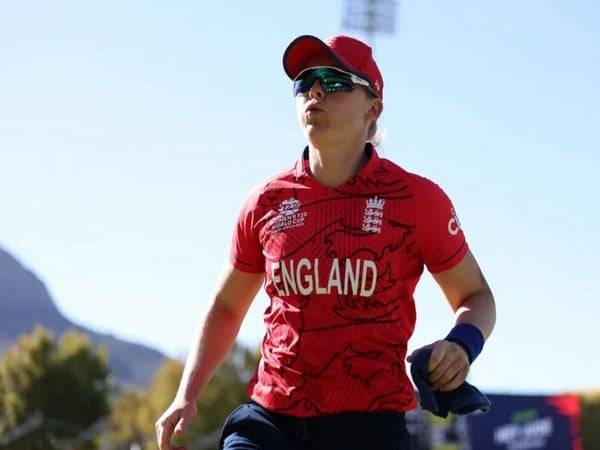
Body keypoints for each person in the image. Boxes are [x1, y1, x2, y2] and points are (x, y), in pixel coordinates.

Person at [155, 34, 496, 450]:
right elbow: (227, 306)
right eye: (304, 81)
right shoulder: (264, 200)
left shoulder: (418, 200)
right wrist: (185, 396)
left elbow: (476, 295)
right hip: (271, 421)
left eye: (333, 80)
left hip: (369, 426)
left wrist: (462, 345)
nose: (314, 90)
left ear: (373, 108)